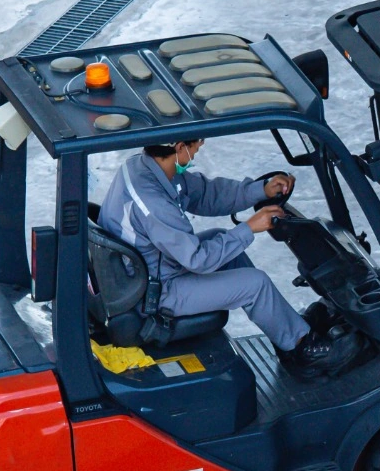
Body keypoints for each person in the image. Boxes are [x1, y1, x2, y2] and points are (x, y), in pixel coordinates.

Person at [98, 139, 361, 378]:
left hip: (149, 271)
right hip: (156, 294)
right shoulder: (152, 201)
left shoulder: (145, 168)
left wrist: (260, 191)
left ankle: (290, 336)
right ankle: (305, 352)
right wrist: (250, 228)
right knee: (254, 284)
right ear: (179, 147)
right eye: (196, 144)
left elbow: (206, 194)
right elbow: (198, 259)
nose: (200, 147)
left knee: (221, 238)